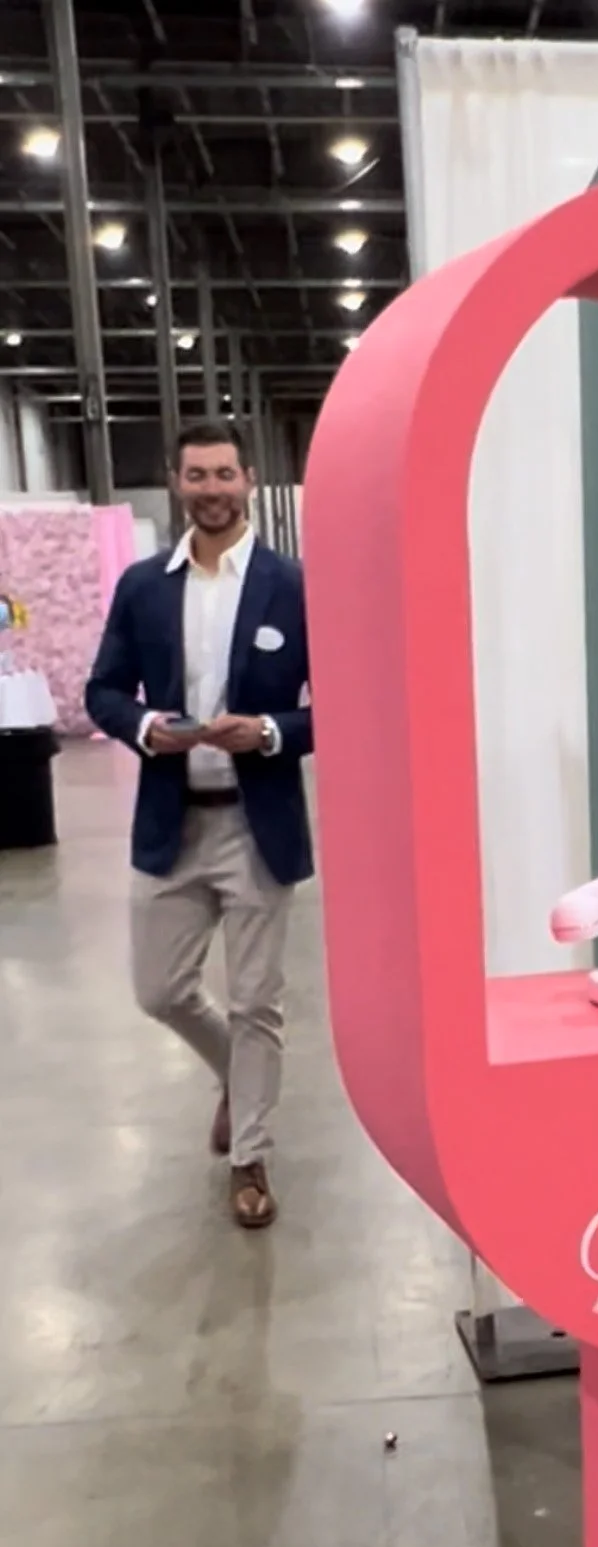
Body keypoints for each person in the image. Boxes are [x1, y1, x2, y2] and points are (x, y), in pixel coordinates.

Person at [86, 420, 312, 1229]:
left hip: (259, 827)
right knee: (159, 990)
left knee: (256, 1003)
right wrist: (149, 728)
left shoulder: (292, 585)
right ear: (177, 483)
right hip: (170, 823)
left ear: (248, 479)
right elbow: (103, 691)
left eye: (224, 473)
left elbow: (340, 700)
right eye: (197, 475)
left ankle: (250, 1155)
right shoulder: (144, 586)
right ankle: (234, 1077)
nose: (211, 489)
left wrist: (272, 732)